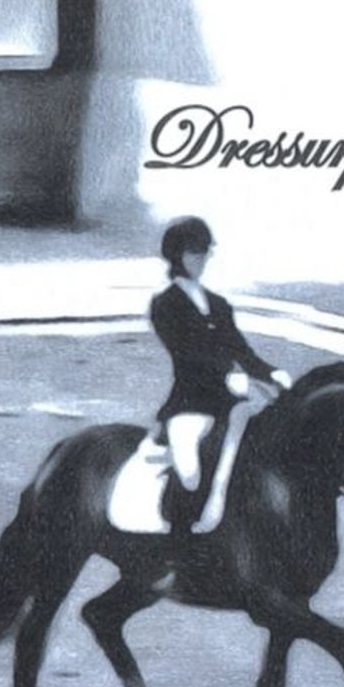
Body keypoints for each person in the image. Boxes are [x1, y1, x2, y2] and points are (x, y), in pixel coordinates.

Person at [149, 216, 292, 536]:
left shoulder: (219, 305)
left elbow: (242, 351)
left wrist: (271, 373)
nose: (201, 260)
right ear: (177, 255)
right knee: (189, 474)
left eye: (204, 252)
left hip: (228, 402)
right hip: (189, 404)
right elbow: (185, 352)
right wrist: (227, 372)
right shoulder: (166, 304)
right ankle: (178, 543)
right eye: (193, 253)